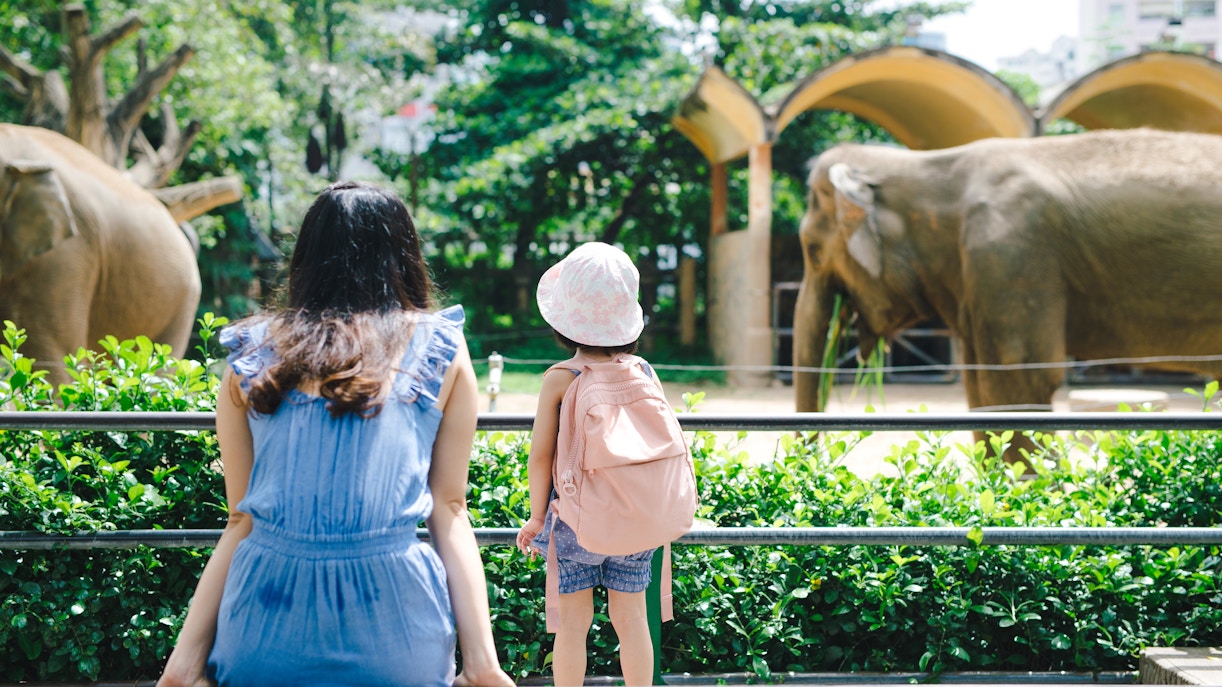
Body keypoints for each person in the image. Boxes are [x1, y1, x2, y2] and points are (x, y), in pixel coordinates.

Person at [156, 181, 515, 687]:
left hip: (265, 616)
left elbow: (241, 520)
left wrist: (183, 664)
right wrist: (483, 664)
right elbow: (449, 511)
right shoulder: (440, 348)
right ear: (402, 253)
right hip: (395, 619)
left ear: (306, 256)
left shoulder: (251, 354)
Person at [515, 242, 662, 687]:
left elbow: (541, 454)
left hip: (576, 521)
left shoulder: (560, 378)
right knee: (632, 619)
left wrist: (538, 516)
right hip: (636, 518)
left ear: (566, 322)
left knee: (573, 626)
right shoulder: (643, 371)